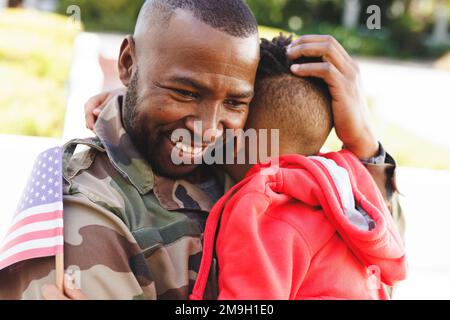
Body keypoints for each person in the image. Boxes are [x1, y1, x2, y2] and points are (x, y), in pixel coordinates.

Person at [0, 0, 402, 300]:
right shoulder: (84, 212)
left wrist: (364, 144)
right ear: (128, 64)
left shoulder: (242, 159)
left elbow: (375, 251)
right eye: (185, 91)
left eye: (234, 102)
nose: (208, 129)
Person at [188, 36, 407, 300]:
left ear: (244, 139)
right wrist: (364, 145)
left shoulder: (260, 206)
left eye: (234, 106)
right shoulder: (353, 182)